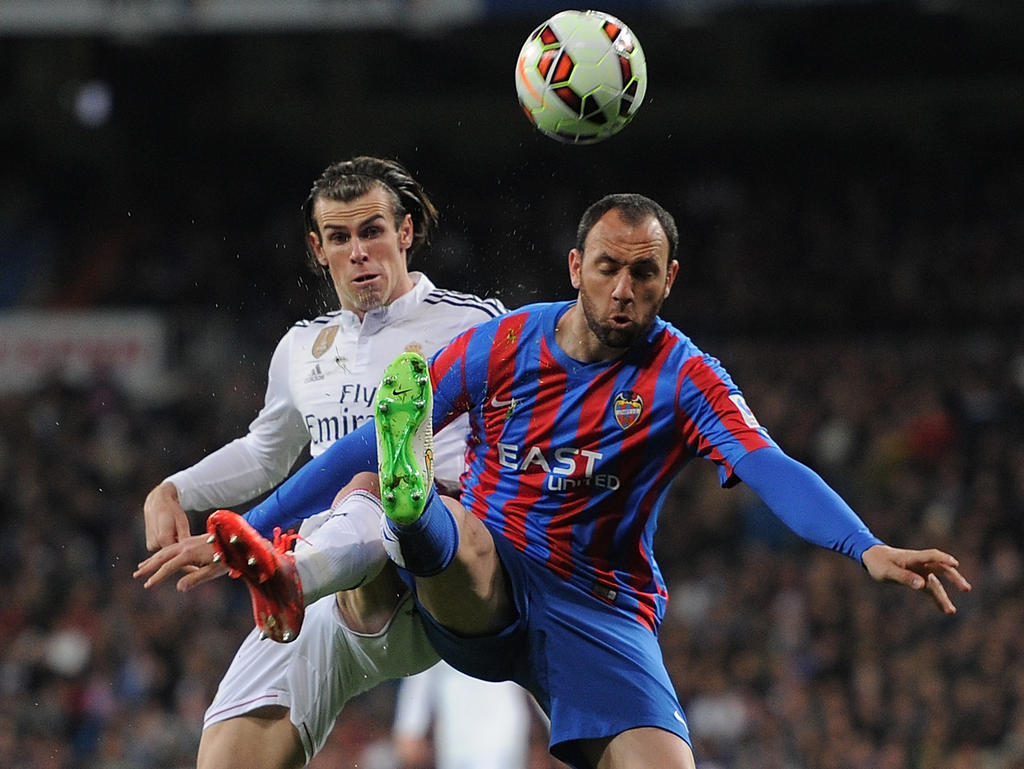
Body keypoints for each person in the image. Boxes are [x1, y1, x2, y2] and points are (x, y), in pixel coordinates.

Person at [154, 193, 972, 769]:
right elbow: (355, 442)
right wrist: (256, 521)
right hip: (491, 569)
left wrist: (863, 546)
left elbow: (768, 466)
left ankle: (403, 514)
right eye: (609, 267)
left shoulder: (687, 377)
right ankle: (410, 514)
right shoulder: (508, 342)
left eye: (644, 274)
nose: (624, 290)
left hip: (599, 606)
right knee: (438, 518)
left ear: (670, 278)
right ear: (577, 264)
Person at [134, 156, 521, 769]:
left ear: (407, 232)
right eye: (340, 238)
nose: (359, 251)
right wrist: (173, 489)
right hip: (330, 588)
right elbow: (266, 452)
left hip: (435, 573)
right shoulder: (301, 347)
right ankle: (292, 575)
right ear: (318, 248)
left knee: (371, 484)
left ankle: (299, 566)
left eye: (372, 231)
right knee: (227, 754)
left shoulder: (474, 323)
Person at [392, 660, 536, 769]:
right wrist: (409, 726)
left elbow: (531, 676)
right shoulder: (437, 626)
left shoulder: (510, 622)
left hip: (504, 734)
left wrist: (554, 726)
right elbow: (420, 676)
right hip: (457, 737)